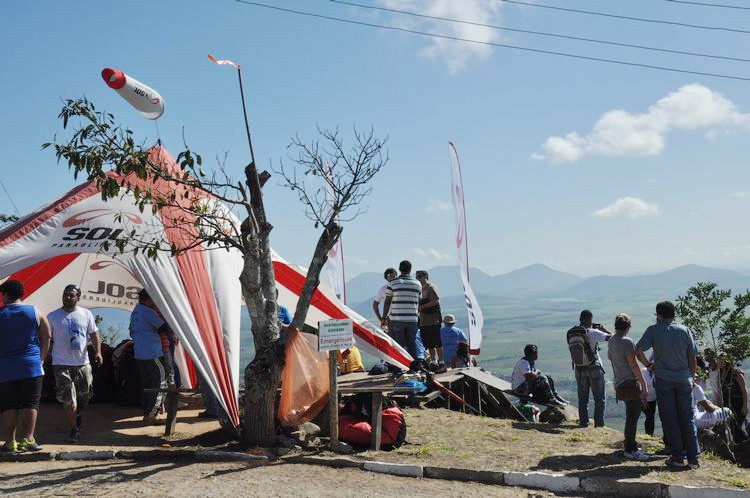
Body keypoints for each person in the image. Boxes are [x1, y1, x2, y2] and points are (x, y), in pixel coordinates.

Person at [635, 300, 700, 469]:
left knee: (670, 419)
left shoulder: (654, 330)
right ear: (674, 314)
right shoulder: (685, 330)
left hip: (664, 380)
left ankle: (677, 457)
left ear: (659, 315)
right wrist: (692, 378)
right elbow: (692, 358)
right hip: (684, 380)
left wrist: (649, 366)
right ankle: (694, 458)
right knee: (687, 417)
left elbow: (638, 349)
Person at [47, 284, 103, 442]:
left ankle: (77, 414)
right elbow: (47, 338)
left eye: (71, 295)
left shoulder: (86, 314)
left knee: (85, 396)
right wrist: (46, 355)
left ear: (78, 297)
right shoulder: (52, 316)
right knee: (68, 399)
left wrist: (98, 352)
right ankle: (74, 428)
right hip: (61, 363)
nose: (67, 297)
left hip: (82, 363)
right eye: (65, 294)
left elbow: (94, 334)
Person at [0, 280, 51, 452]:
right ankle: (28, 439)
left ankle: (10, 442)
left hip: (5, 368)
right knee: (30, 403)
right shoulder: (34, 311)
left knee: (9, 405)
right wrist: (41, 358)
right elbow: (47, 335)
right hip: (31, 366)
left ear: (6, 294)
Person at [607, 314, 651, 461]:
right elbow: (633, 365)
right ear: (628, 327)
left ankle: (630, 445)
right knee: (633, 416)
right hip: (629, 383)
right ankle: (630, 449)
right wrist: (644, 384)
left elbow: (609, 356)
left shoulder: (612, 340)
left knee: (630, 415)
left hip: (619, 382)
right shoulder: (627, 341)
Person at [129, 289, 171, 425]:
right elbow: (163, 327)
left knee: (148, 385)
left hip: (140, 353)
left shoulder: (136, 311)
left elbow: (131, 331)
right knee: (160, 382)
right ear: (149, 299)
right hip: (153, 353)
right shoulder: (148, 311)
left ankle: (147, 412)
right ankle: (151, 415)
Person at [574, 310, 612, 428]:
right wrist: (604, 330)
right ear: (590, 319)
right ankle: (599, 425)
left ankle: (583, 423)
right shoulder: (593, 332)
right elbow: (613, 338)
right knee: (599, 399)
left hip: (579, 368)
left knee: (583, 399)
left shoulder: (573, 333)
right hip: (594, 368)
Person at [382, 261, 422, 359]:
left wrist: (384, 318)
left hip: (396, 319)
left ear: (399, 269)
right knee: (412, 344)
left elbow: (387, 302)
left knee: (398, 345)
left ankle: (398, 369)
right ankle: (414, 367)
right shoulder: (417, 283)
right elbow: (419, 302)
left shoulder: (392, 283)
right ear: (410, 269)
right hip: (412, 319)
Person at [415, 270, 442, 365]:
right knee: (428, 343)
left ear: (425, 276)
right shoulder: (419, 289)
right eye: (417, 276)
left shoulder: (431, 287)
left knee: (437, 342)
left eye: (420, 276)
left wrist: (422, 307)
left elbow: (436, 300)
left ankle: (441, 361)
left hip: (433, 319)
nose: (418, 278)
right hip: (423, 320)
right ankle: (434, 361)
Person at [640, 366, 658, 436]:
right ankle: (648, 434)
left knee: (651, 417)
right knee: (649, 416)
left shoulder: (656, 372)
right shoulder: (644, 371)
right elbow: (639, 385)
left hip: (653, 399)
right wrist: (643, 400)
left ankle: (650, 434)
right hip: (644, 399)